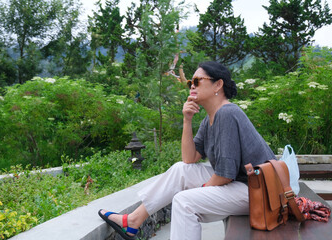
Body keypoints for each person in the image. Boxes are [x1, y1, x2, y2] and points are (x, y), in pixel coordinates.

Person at [98, 61, 276, 240]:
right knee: (180, 169)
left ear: (218, 84)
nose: (192, 86)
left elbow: (224, 175)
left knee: (184, 201)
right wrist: (187, 120)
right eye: (190, 82)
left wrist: (200, 190)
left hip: (258, 191)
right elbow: (189, 159)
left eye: (197, 81)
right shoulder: (210, 118)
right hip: (243, 185)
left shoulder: (227, 113)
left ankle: (135, 221)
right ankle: (134, 220)